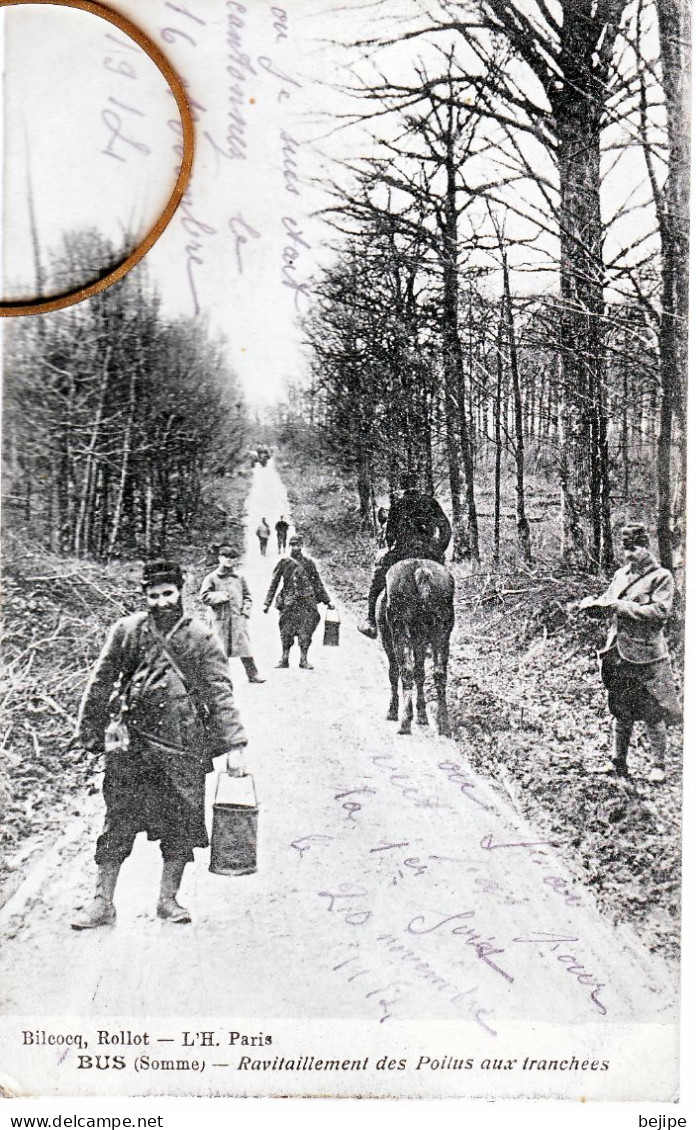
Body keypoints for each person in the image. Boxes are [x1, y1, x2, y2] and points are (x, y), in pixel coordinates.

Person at [71, 559, 248, 929]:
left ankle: (169, 900)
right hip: (131, 746)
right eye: (153, 596)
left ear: (179, 593)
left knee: (181, 823)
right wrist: (90, 730)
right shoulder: (127, 630)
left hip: (183, 746)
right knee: (117, 820)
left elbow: (220, 692)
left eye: (168, 594)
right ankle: (102, 902)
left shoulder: (200, 636)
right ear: (144, 596)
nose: (161, 602)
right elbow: (100, 680)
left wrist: (236, 745)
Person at [576, 523, 680, 784]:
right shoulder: (621, 575)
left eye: (634, 548)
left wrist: (621, 606)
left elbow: (660, 613)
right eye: (626, 548)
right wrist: (592, 607)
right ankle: (617, 762)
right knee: (620, 710)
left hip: (647, 655)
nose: (629, 554)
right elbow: (608, 601)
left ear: (647, 547)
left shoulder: (662, 577)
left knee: (653, 712)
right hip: (619, 653)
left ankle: (658, 765)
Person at [358, 472, 452, 638]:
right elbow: (445, 529)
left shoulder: (398, 504)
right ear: (417, 484)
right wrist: (438, 549)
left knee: (377, 582)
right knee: (446, 581)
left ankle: (371, 620)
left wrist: (394, 547)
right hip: (430, 553)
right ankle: (444, 622)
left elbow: (390, 535)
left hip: (403, 552)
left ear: (402, 486)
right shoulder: (430, 502)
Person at [263, 534, 334, 669]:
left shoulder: (309, 563)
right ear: (290, 546)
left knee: (306, 631)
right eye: (293, 544)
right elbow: (274, 583)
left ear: (302, 546)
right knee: (285, 630)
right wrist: (267, 602)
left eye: (298, 544)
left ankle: (303, 660)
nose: (295, 547)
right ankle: (284, 659)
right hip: (288, 602)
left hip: (306, 602)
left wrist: (327, 601)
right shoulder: (284, 563)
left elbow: (317, 583)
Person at [200, 545, 265, 683]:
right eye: (226, 557)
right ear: (220, 558)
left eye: (232, 557)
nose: (229, 560)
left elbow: (248, 596)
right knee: (220, 649)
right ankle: (221, 677)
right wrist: (219, 596)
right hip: (220, 620)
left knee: (245, 647)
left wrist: (245, 613)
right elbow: (204, 596)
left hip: (237, 619)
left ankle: (253, 675)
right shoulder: (211, 578)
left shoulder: (239, 578)